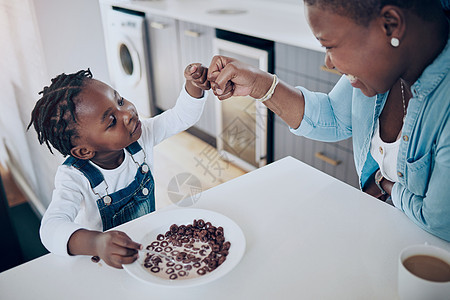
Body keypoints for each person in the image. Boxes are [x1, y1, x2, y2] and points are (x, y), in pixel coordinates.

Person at [207, 0, 450, 241]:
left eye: (330, 46)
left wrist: (386, 184)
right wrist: (259, 84)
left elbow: (439, 221)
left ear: (391, 25)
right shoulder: (387, 65)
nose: (329, 62)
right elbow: (334, 117)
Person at [27, 64, 210, 268]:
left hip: (144, 247)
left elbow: (180, 117)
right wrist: (96, 243)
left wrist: (194, 86)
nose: (128, 113)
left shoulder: (141, 137)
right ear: (84, 151)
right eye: (112, 121)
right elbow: (50, 228)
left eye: (120, 100)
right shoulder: (73, 177)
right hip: (102, 264)